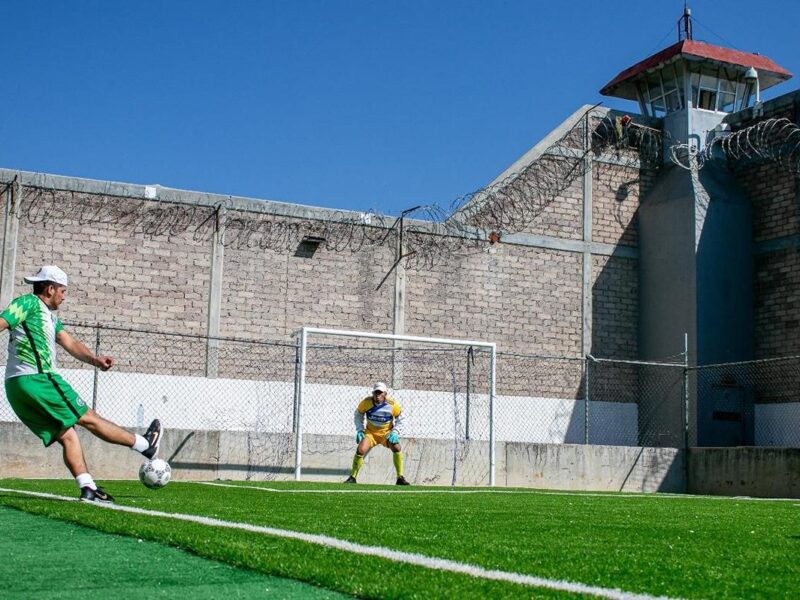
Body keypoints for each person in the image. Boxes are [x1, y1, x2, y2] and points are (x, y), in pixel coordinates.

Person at [0, 265, 163, 503]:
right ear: (50, 288)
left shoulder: (48, 316)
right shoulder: (28, 303)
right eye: (63, 291)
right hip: (37, 377)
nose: (64, 296)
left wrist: (94, 360)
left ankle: (88, 488)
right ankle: (144, 445)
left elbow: (69, 342)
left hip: (16, 387)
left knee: (67, 435)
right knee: (88, 417)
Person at [344, 381, 410, 485]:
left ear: (385, 394)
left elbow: (401, 419)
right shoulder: (366, 402)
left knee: (397, 447)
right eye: (376, 392)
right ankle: (352, 477)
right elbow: (358, 415)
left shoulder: (392, 405)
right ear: (373, 393)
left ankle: (400, 478)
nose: (377, 395)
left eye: (380, 392)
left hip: (386, 433)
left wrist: (395, 432)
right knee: (361, 449)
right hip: (371, 434)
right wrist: (360, 429)